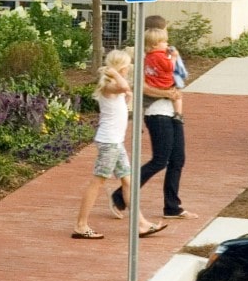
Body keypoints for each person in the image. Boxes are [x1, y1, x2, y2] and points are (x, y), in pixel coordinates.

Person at [75, 49, 163, 239]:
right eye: (126, 67)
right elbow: (123, 87)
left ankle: (141, 224)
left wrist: (127, 95)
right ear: (121, 68)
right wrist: (114, 73)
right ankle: (81, 225)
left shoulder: (115, 86)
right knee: (97, 182)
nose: (127, 71)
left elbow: (125, 90)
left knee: (128, 182)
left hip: (116, 142)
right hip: (109, 142)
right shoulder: (109, 86)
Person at [114, 17, 193, 221]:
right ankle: (119, 196)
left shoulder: (166, 55)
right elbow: (142, 87)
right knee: (160, 160)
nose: (167, 41)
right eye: (164, 35)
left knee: (178, 159)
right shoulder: (145, 58)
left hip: (173, 111)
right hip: (156, 112)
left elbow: (177, 77)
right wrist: (167, 94)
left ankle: (172, 206)